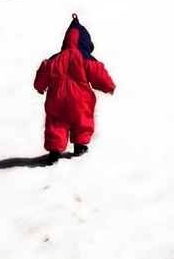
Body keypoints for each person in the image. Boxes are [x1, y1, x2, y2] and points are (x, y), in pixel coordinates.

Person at [33, 14, 115, 165]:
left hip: (56, 97)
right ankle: (79, 145)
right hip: (80, 98)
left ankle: (54, 152)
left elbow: (43, 71)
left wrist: (40, 86)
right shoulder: (85, 58)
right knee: (82, 118)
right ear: (85, 42)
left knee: (56, 121)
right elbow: (99, 73)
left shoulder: (55, 58)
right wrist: (108, 86)